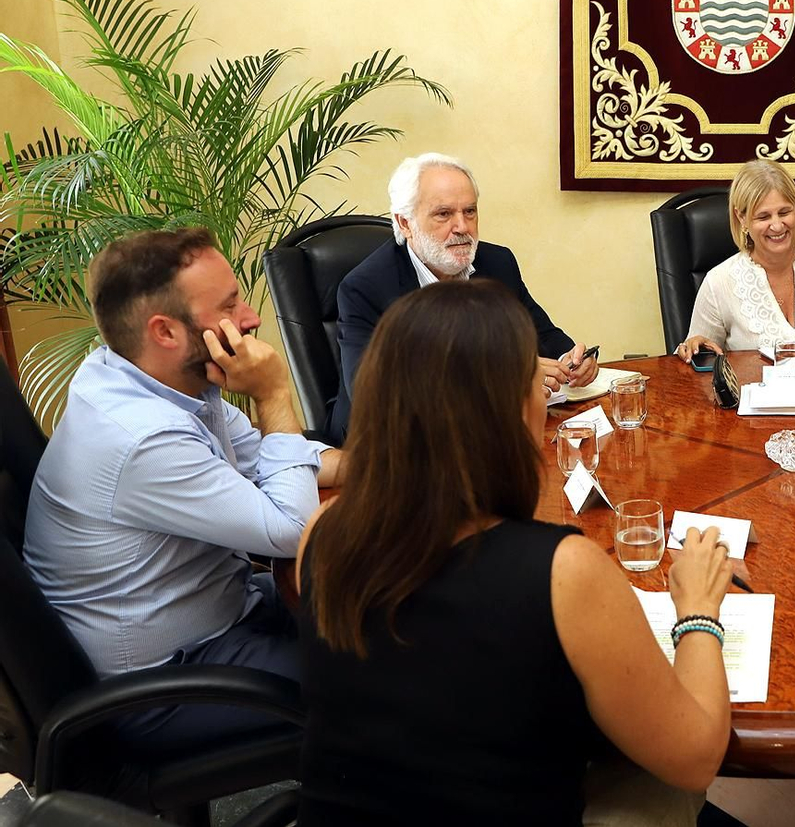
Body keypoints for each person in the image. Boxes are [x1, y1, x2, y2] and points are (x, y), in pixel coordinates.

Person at [296, 281, 733, 825]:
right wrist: (698, 609)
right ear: (508, 411)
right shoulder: (560, 571)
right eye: (536, 382)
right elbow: (695, 758)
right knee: (663, 788)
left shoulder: (322, 532)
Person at [24, 227, 338, 751]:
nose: (250, 319)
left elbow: (277, 461)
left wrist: (400, 465)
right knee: (388, 680)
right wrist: (274, 392)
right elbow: (291, 529)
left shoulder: (164, 379)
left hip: (220, 611)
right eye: (230, 305)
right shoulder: (140, 436)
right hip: (158, 686)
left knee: (379, 624)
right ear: (165, 332)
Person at [330, 152, 595, 442]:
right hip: (393, 445)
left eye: (469, 211)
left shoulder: (497, 263)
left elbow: (540, 332)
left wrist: (571, 360)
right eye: (444, 214)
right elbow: (373, 392)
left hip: (485, 433)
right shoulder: (366, 286)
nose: (462, 227)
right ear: (405, 223)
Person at [676, 159, 795, 360]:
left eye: (785, 212)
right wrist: (693, 348)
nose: (777, 226)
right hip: (750, 390)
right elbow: (697, 356)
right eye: (763, 217)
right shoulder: (718, 282)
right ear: (742, 218)